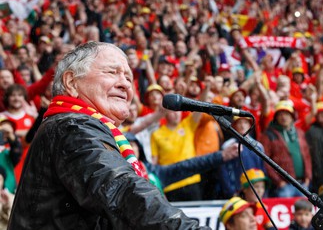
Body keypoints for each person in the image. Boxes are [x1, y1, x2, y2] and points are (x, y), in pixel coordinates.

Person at [8, 42, 210, 229]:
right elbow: (120, 189)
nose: (125, 85)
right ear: (71, 82)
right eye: (112, 72)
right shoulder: (71, 126)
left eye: (128, 78)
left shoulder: (74, 125)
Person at [260, 100, 312, 198]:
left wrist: (308, 177)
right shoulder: (269, 135)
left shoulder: (299, 133)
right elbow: (265, 161)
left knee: (305, 211)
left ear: (292, 117)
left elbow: (307, 156)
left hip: (303, 184)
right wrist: (278, 182)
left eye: (287, 114)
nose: (284, 117)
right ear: (276, 117)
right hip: (284, 186)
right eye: (280, 114)